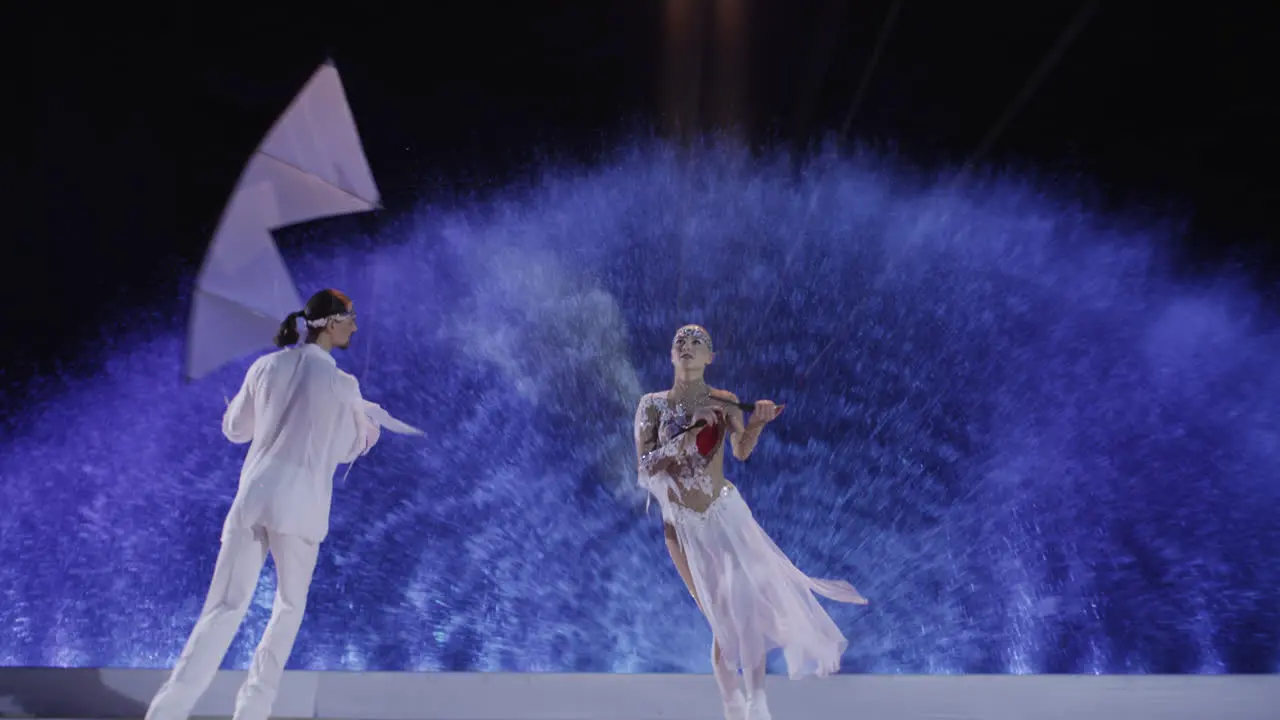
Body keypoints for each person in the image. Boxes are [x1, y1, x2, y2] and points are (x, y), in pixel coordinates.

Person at [147, 288, 383, 720]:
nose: (354, 326)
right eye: (350, 318)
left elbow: (236, 429)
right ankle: (253, 710)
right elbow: (346, 447)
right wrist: (367, 430)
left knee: (222, 609)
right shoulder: (341, 384)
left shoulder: (265, 366)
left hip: (252, 499)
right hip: (300, 508)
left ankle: (166, 712)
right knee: (288, 608)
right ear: (331, 324)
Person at [633, 324, 869, 720]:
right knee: (720, 622)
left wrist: (757, 422)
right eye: (680, 343)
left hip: (727, 516)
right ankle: (731, 703)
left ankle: (756, 702)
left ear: (711, 357)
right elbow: (644, 469)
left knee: (743, 607)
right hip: (683, 529)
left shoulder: (725, 401)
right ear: (671, 356)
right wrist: (690, 433)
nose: (687, 347)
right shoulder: (651, 406)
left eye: (697, 343)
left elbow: (740, 451)